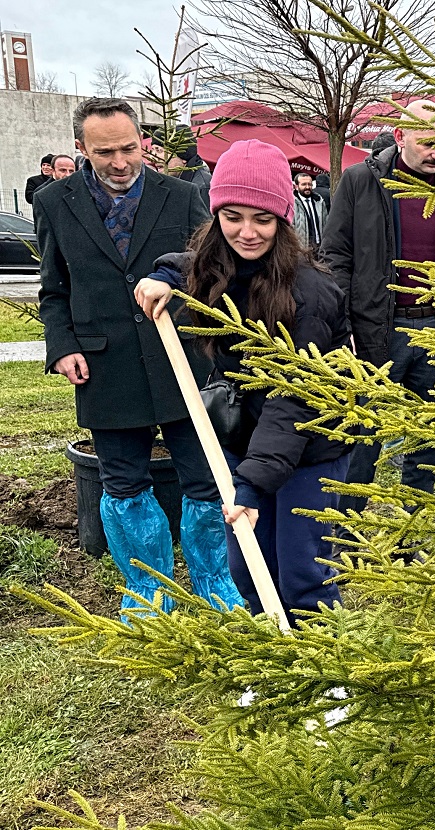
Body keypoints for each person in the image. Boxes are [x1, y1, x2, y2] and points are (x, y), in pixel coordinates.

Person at [35, 98, 241, 616]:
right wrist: (62, 347)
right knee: (123, 484)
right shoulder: (55, 202)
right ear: (82, 148)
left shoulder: (183, 195)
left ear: (142, 142)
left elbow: (209, 262)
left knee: (203, 479)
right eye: (106, 152)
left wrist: (178, 283)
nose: (121, 161)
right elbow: (53, 289)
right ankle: (148, 594)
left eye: (130, 147)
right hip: (104, 367)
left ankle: (216, 585)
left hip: (180, 360)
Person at [134, 140, 351, 621]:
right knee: (248, 566)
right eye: (232, 216)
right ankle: (269, 663)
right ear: (216, 216)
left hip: (311, 442)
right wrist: (162, 275)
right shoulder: (217, 266)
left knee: (303, 570)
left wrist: (250, 489)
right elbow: (191, 263)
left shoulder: (311, 293)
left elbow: (293, 401)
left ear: (283, 220)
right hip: (243, 435)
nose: (247, 232)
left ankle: (328, 675)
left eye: (262, 219)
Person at [321, 99, 435, 511]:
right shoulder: (360, 182)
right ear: (400, 136)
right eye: (428, 143)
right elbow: (335, 256)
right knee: (362, 440)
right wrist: (345, 327)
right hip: (377, 331)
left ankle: (412, 534)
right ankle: (343, 535)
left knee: (429, 440)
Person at [293, 172, 328, 250]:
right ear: (296, 186)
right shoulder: (292, 203)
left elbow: (326, 224)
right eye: (304, 184)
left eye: (310, 184)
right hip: (301, 249)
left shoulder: (319, 201)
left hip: (319, 247)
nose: (307, 187)